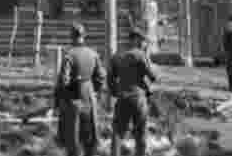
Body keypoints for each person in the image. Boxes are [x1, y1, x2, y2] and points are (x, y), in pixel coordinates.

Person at [53, 23, 106, 156]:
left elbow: (63, 81)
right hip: (89, 99)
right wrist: (93, 91)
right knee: (89, 139)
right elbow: (101, 77)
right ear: (84, 36)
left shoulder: (69, 56)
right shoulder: (93, 54)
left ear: (71, 37)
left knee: (73, 140)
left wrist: (59, 100)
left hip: (73, 101)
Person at [109, 27, 158, 156]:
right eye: (142, 40)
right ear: (136, 40)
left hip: (122, 97)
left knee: (118, 132)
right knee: (141, 133)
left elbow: (110, 78)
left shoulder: (117, 56)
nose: (143, 43)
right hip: (138, 99)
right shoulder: (141, 54)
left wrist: (116, 92)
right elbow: (153, 77)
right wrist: (146, 57)